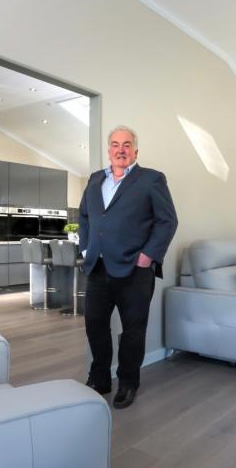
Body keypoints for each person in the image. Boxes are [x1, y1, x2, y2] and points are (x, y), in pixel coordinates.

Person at [79, 125, 178, 409]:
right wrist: (85, 248)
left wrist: (148, 255)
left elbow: (167, 221)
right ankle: (99, 378)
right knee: (95, 325)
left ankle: (127, 382)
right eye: (114, 144)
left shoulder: (151, 180)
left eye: (126, 144)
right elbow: (85, 216)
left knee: (133, 330)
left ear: (135, 150)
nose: (120, 149)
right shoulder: (96, 179)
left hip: (135, 271)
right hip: (98, 267)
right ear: (108, 149)